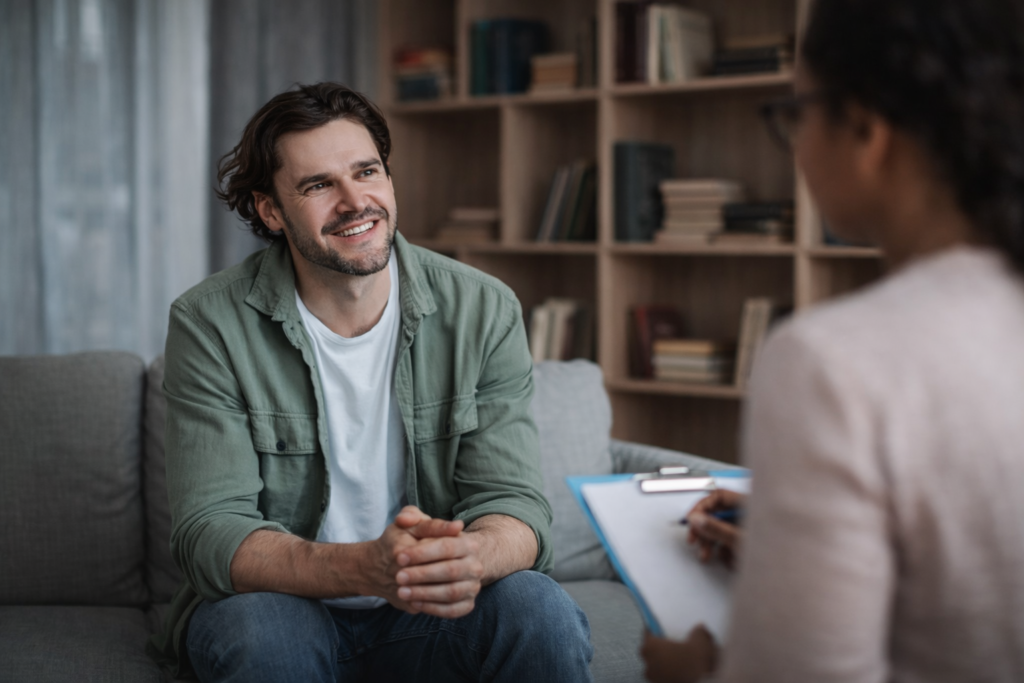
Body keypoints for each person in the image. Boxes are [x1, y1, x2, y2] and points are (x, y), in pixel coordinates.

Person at [146, 82, 593, 682]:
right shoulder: (209, 322)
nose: (355, 202)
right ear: (270, 211)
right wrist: (365, 568)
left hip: (429, 616)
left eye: (367, 172)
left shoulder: (484, 309)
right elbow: (211, 532)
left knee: (539, 609)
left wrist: (469, 556)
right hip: (284, 606)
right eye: (318, 185)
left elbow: (514, 504)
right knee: (262, 634)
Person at [641, 0, 1024, 681]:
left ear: (866, 128)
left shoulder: (832, 363)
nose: (796, 143)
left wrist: (697, 670)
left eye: (797, 113)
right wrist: (805, 533)